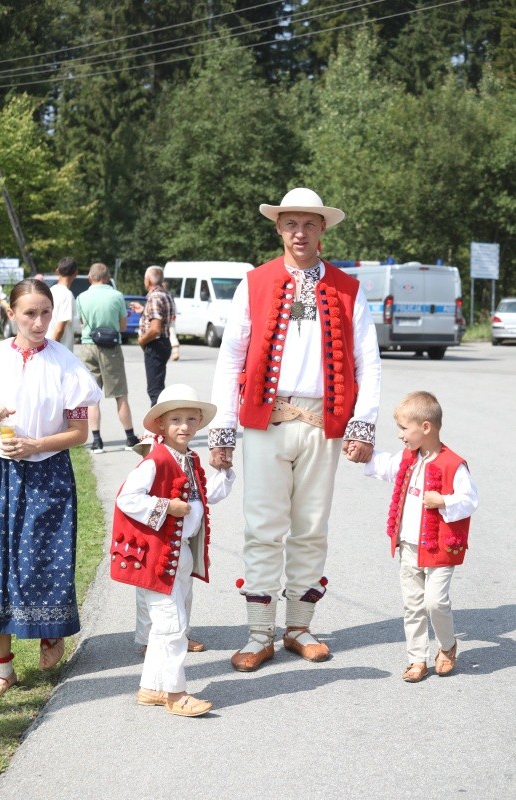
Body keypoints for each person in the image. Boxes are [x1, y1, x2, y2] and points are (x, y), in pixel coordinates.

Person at [208, 187, 381, 672]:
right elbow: (230, 361)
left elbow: (369, 361)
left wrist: (362, 425)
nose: (299, 232)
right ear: (278, 228)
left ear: (323, 228)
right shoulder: (255, 282)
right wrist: (222, 431)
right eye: (290, 224)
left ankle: (300, 626)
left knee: (310, 527)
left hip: (325, 424)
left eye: (308, 223)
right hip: (267, 420)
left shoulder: (348, 288)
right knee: (263, 527)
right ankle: (259, 633)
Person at [0, 278, 102, 697]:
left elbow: (79, 432)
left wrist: (36, 444)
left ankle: (50, 632)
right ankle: (3, 668)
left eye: (45, 312)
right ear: (11, 314)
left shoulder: (67, 365)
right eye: (29, 313)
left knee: (43, 562)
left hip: (48, 471)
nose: (38, 321)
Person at [111, 384, 235, 717]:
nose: (184, 426)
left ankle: (152, 687)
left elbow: (200, 502)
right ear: (162, 426)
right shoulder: (156, 461)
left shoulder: (189, 459)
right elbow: (127, 498)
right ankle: (176, 694)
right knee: (172, 625)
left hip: (181, 556)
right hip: (160, 558)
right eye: (176, 419)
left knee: (169, 624)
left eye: (191, 419)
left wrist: (223, 472)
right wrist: (166, 506)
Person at [363, 390, 478, 682]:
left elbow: (470, 500)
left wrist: (444, 501)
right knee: (412, 605)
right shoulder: (409, 459)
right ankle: (417, 659)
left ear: (425, 427)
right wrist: (361, 453)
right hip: (409, 547)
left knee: (434, 602)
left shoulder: (454, 464)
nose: (400, 435)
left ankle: (447, 645)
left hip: (439, 549)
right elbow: (385, 465)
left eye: (404, 428)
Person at [131, 432, 207, 656]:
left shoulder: (186, 466)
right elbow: (131, 501)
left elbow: (202, 496)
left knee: (184, 591)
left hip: (181, 542)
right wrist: (165, 507)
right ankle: (147, 640)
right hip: (155, 543)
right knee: (149, 594)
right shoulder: (147, 471)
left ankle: (182, 633)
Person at [76, 262, 139, 453]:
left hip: (88, 345)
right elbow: (122, 326)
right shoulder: (117, 296)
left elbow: (82, 322)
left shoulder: (81, 297)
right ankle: (129, 438)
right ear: (107, 277)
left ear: (90, 277)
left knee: (93, 396)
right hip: (111, 348)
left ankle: (97, 441)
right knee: (120, 395)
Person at [130, 266, 174, 406]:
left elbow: (155, 329)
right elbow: (162, 318)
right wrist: (143, 310)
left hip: (155, 344)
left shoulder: (154, 297)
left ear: (147, 280)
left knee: (155, 390)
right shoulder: (165, 294)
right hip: (164, 342)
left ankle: (158, 424)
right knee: (158, 386)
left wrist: (142, 340)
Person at [46, 256, 79, 352]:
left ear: (57, 271)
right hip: (59, 350)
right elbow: (60, 328)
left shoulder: (49, 291)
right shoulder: (67, 295)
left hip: (45, 344)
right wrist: (51, 350)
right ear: (76, 273)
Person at [162, 280, 180, 362]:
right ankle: (174, 352)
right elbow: (174, 307)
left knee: (170, 334)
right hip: (170, 318)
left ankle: (175, 352)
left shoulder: (164, 296)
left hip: (164, 318)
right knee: (172, 334)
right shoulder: (170, 296)